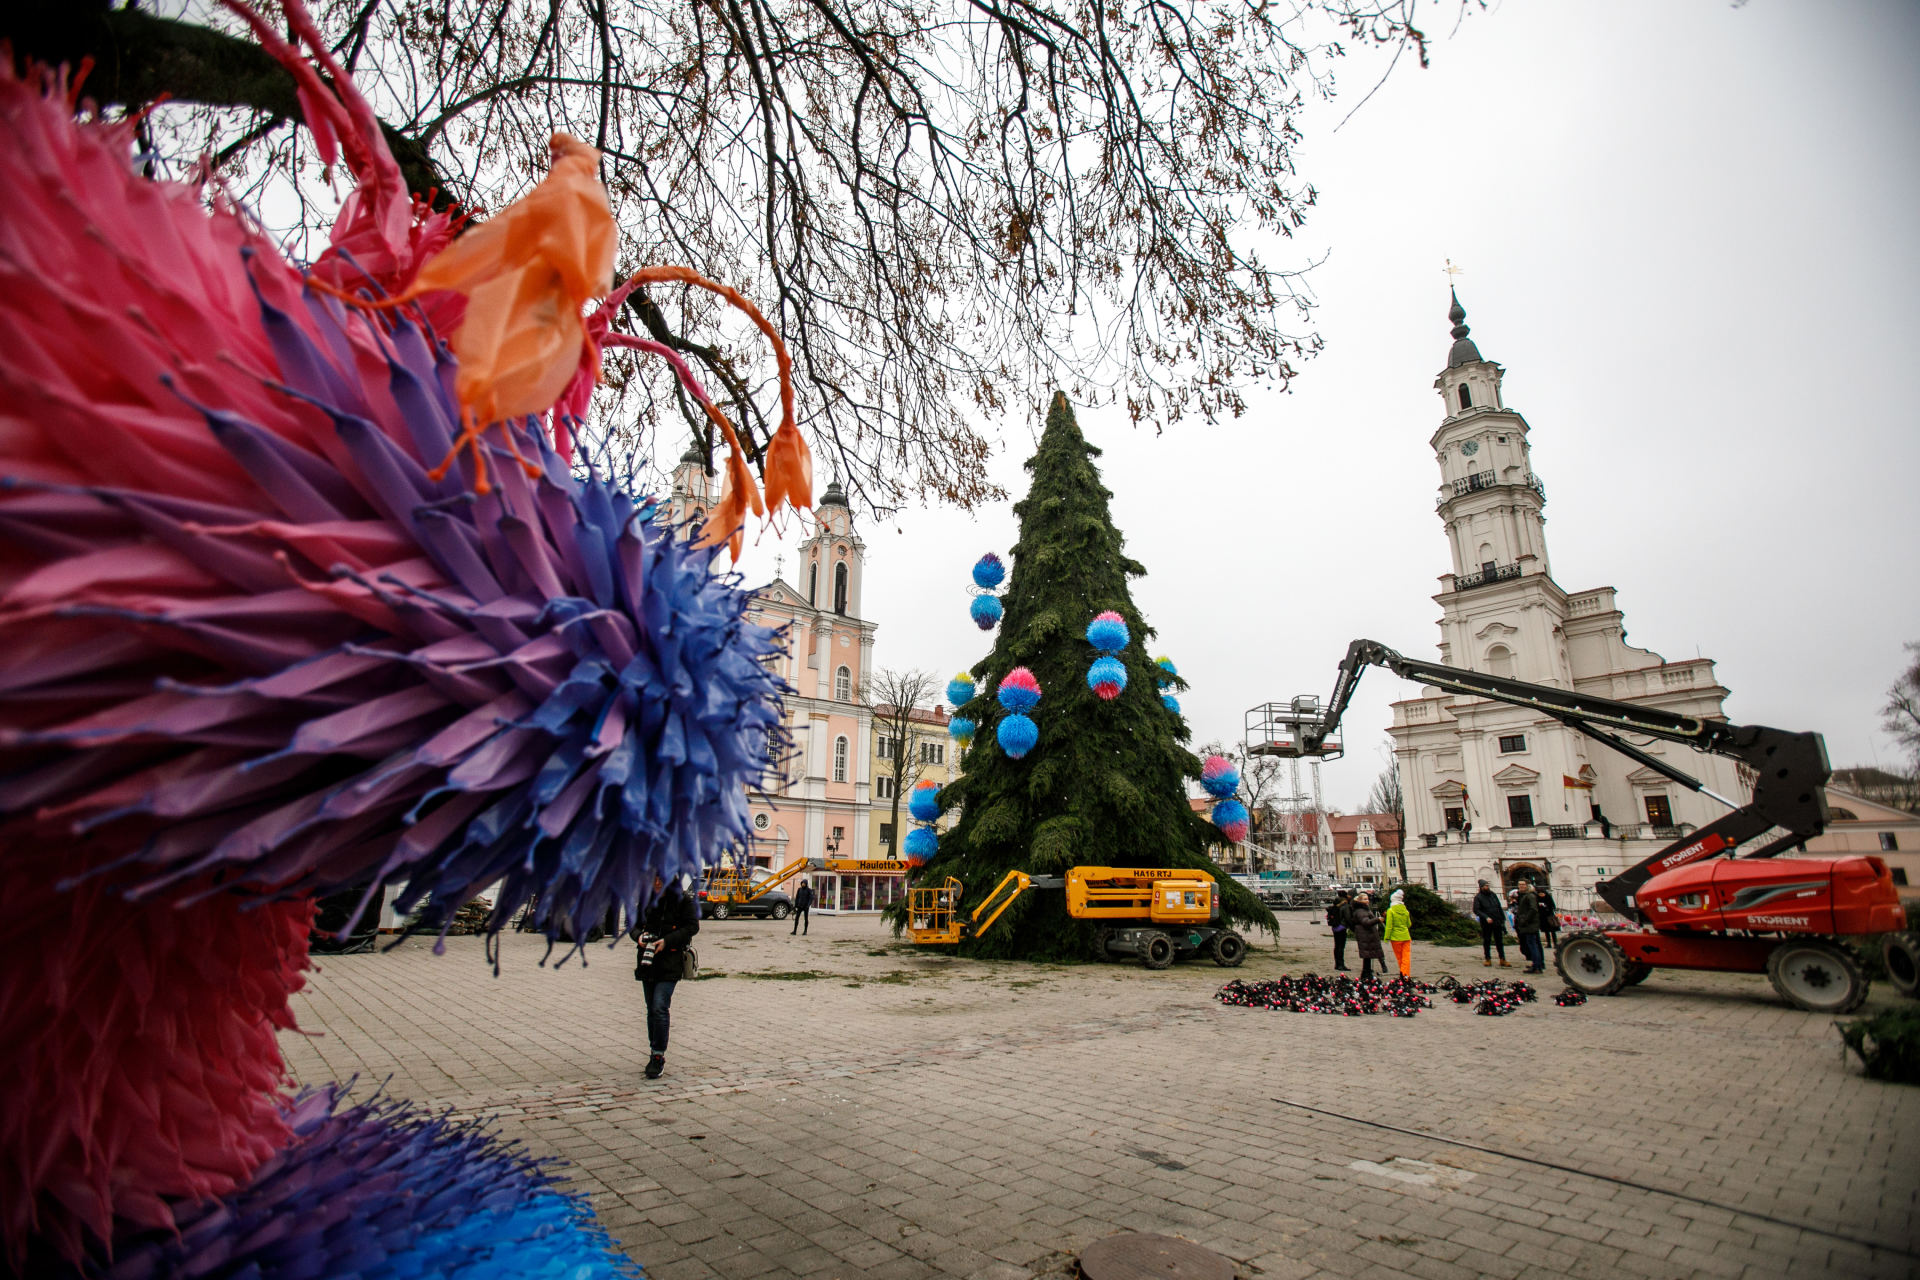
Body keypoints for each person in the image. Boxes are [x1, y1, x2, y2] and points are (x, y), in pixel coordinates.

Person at [635, 877, 700, 1079]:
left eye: (661, 878)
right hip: (647, 962)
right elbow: (633, 925)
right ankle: (653, 1049)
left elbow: (692, 927)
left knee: (659, 1006)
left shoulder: (682, 901)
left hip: (670, 960)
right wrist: (638, 936)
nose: (656, 882)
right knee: (651, 1009)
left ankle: (657, 1056)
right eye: (653, 877)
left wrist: (667, 940)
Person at [1472, 879, 1509, 968]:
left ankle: (1502, 958)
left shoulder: (1493, 895)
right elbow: (1476, 910)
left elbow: (1498, 906)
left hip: (1496, 920)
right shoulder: (1478, 897)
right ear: (1481, 887)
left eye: (1487, 885)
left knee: (1499, 941)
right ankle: (1487, 958)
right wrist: (1486, 917)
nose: (1487, 887)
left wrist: (1502, 919)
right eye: (1485, 886)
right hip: (1486, 922)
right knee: (1487, 940)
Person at [1349, 892, 1385, 980]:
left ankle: (1367, 972)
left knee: (1368, 955)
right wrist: (1377, 919)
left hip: (1367, 934)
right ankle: (1366, 973)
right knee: (1367, 955)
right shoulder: (1361, 911)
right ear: (1360, 901)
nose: (1367, 901)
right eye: (1365, 899)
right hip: (1365, 934)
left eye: (1367, 899)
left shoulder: (1364, 909)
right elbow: (1366, 922)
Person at [1511, 879, 1544, 974]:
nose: (1521, 886)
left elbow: (1533, 909)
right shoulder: (1524, 896)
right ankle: (1536, 964)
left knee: (1533, 945)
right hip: (1529, 924)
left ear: (1527, 885)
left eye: (1523, 884)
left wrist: (1525, 920)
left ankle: (1537, 966)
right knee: (1533, 944)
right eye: (1519, 884)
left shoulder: (1530, 896)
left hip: (1530, 924)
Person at [1382, 888, 1413, 978]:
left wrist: (1386, 937)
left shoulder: (1390, 911)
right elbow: (1409, 924)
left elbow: (1389, 926)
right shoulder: (1405, 911)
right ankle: (1405, 974)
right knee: (1406, 957)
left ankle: (1403, 975)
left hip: (1395, 937)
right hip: (1406, 936)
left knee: (1400, 957)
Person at [1325, 890, 1353, 971]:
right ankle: (1341, 964)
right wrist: (1352, 927)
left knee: (1337, 946)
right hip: (1342, 927)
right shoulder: (1345, 905)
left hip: (1335, 926)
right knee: (1341, 946)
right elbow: (1348, 918)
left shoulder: (1336, 903)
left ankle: (1337, 964)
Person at [1538, 882, 1561, 956]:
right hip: (1543, 917)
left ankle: (1555, 943)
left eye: (1542, 893)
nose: (1541, 895)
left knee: (1552, 931)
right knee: (1546, 931)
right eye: (1540, 894)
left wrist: (1546, 907)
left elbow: (1552, 906)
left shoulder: (1548, 898)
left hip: (1549, 916)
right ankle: (1548, 943)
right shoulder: (1538, 899)